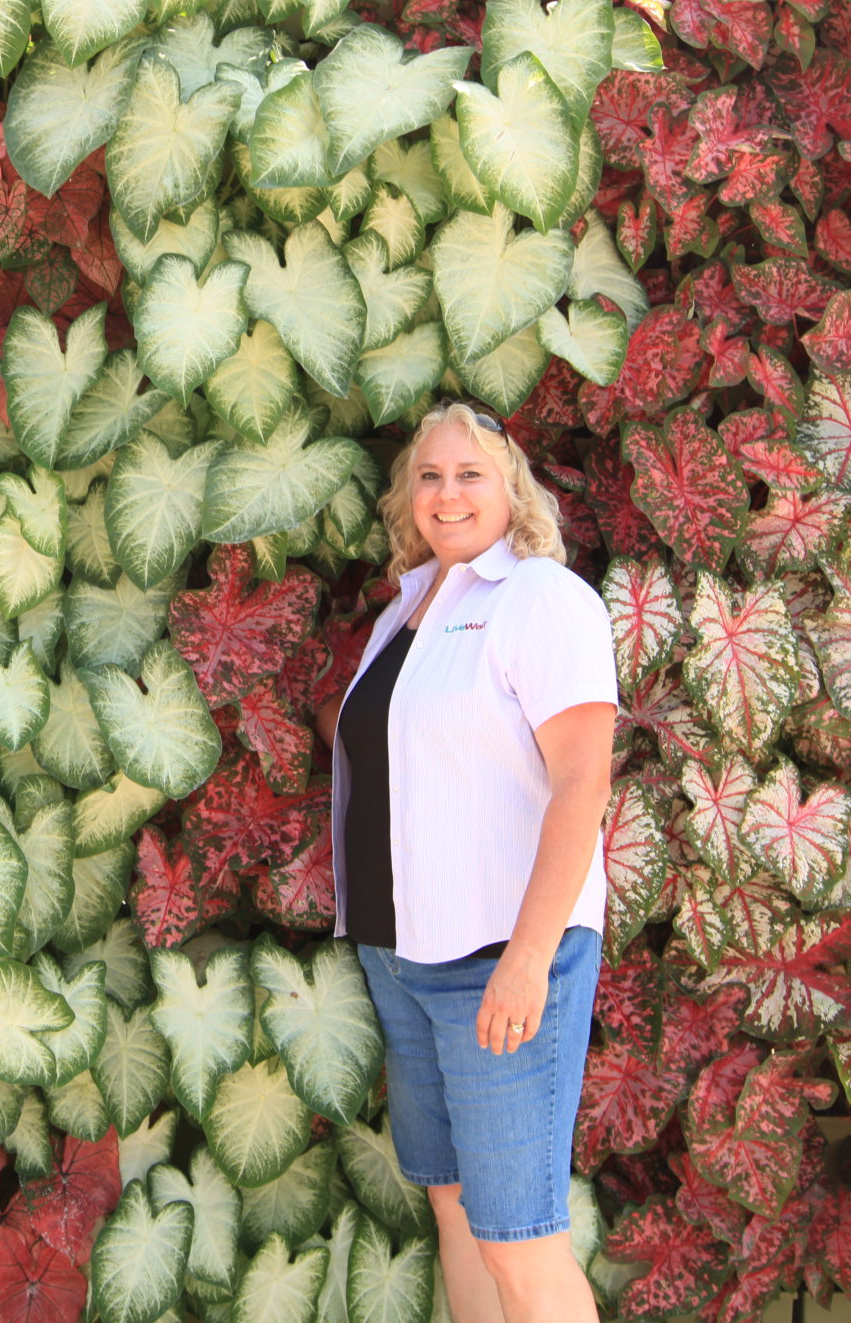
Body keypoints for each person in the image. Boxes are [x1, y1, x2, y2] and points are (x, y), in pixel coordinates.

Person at [316, 401, 617, 1323]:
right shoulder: (408, 609)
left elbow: (581, 785)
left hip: (498, 960)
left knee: (519, 1237)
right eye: (431, 476)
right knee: (453, 1203)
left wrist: (528, 961)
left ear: (510, 487)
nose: (449, 493)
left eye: (471, 473)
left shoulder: (539, 597)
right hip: (403, 958)